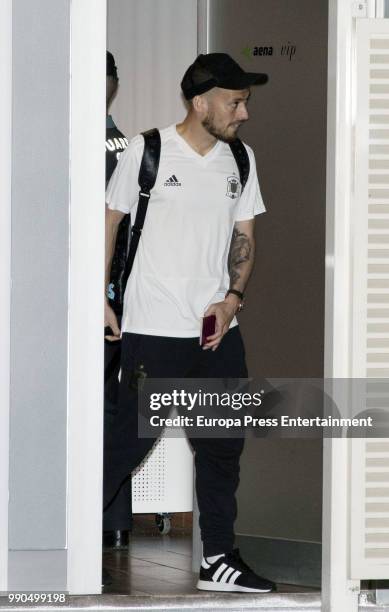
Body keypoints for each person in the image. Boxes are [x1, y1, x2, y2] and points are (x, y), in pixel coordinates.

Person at [104, 53, 276, 593]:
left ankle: (219, 559)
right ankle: (57, 538)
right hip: (153, 327)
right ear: (200, 101)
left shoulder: (242, 160)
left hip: (216, 332)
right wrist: (98, 297)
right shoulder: (147, 151)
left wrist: (231, 299)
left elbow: (243, 237)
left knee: (224, 444)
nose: (243, 112)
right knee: (126, 442)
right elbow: (108, 223)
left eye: (244, 100)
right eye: (235, 100)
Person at [103, 51, 132, 550]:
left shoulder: (124, 145)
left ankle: (109, 518)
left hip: (114, 293)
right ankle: (110, 521)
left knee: (112, 407)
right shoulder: (124, 143)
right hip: (108, 291)